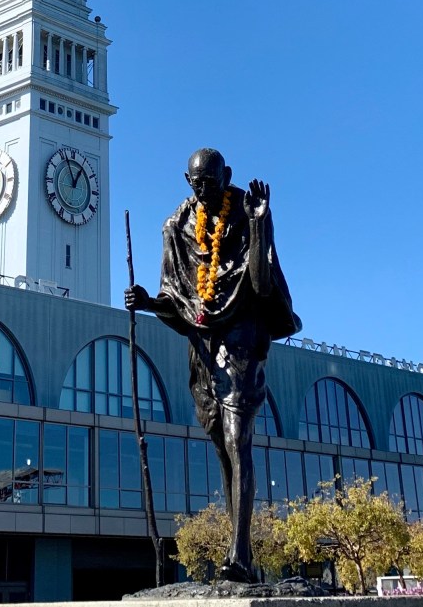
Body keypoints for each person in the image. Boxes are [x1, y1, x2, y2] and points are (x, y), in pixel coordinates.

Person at [125, 148, 300, 583]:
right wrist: (148, 303)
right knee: (223, 447)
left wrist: (260, 223)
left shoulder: (244, 211)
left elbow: (260, 283)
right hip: (202, 347)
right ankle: (242, 552)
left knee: (239, 440)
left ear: (227, 175)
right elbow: (175, 299)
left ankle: (240, 555)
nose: (205, 189)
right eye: (198, 182)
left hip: (240, 337)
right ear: (187, 181)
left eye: (212, 180)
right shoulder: (176, 227)